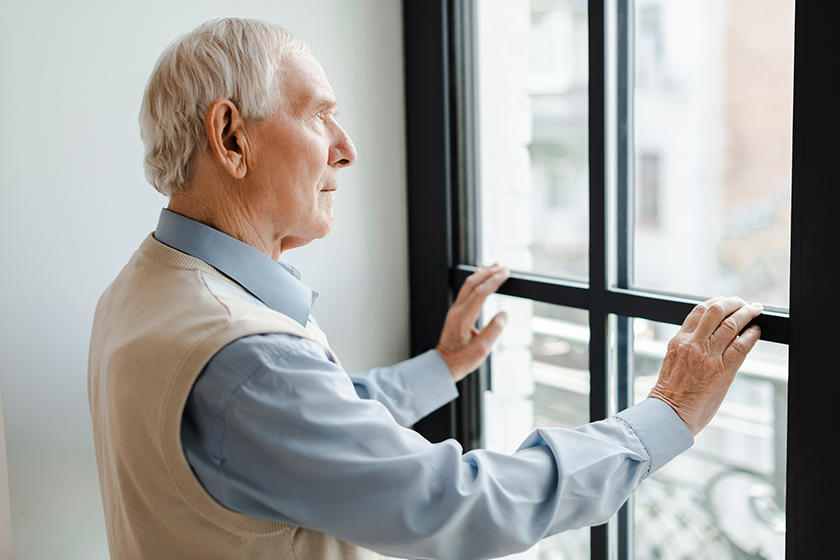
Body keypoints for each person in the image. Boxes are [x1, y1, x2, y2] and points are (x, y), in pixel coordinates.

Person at [87, 17, 763, 560]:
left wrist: (443, 365)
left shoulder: (144, 290)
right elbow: (458, 505)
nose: (346, 148)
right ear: (231, 138)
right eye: (319, 115)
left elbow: (294, 425)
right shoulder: (243, 358)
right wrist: (664, 416)